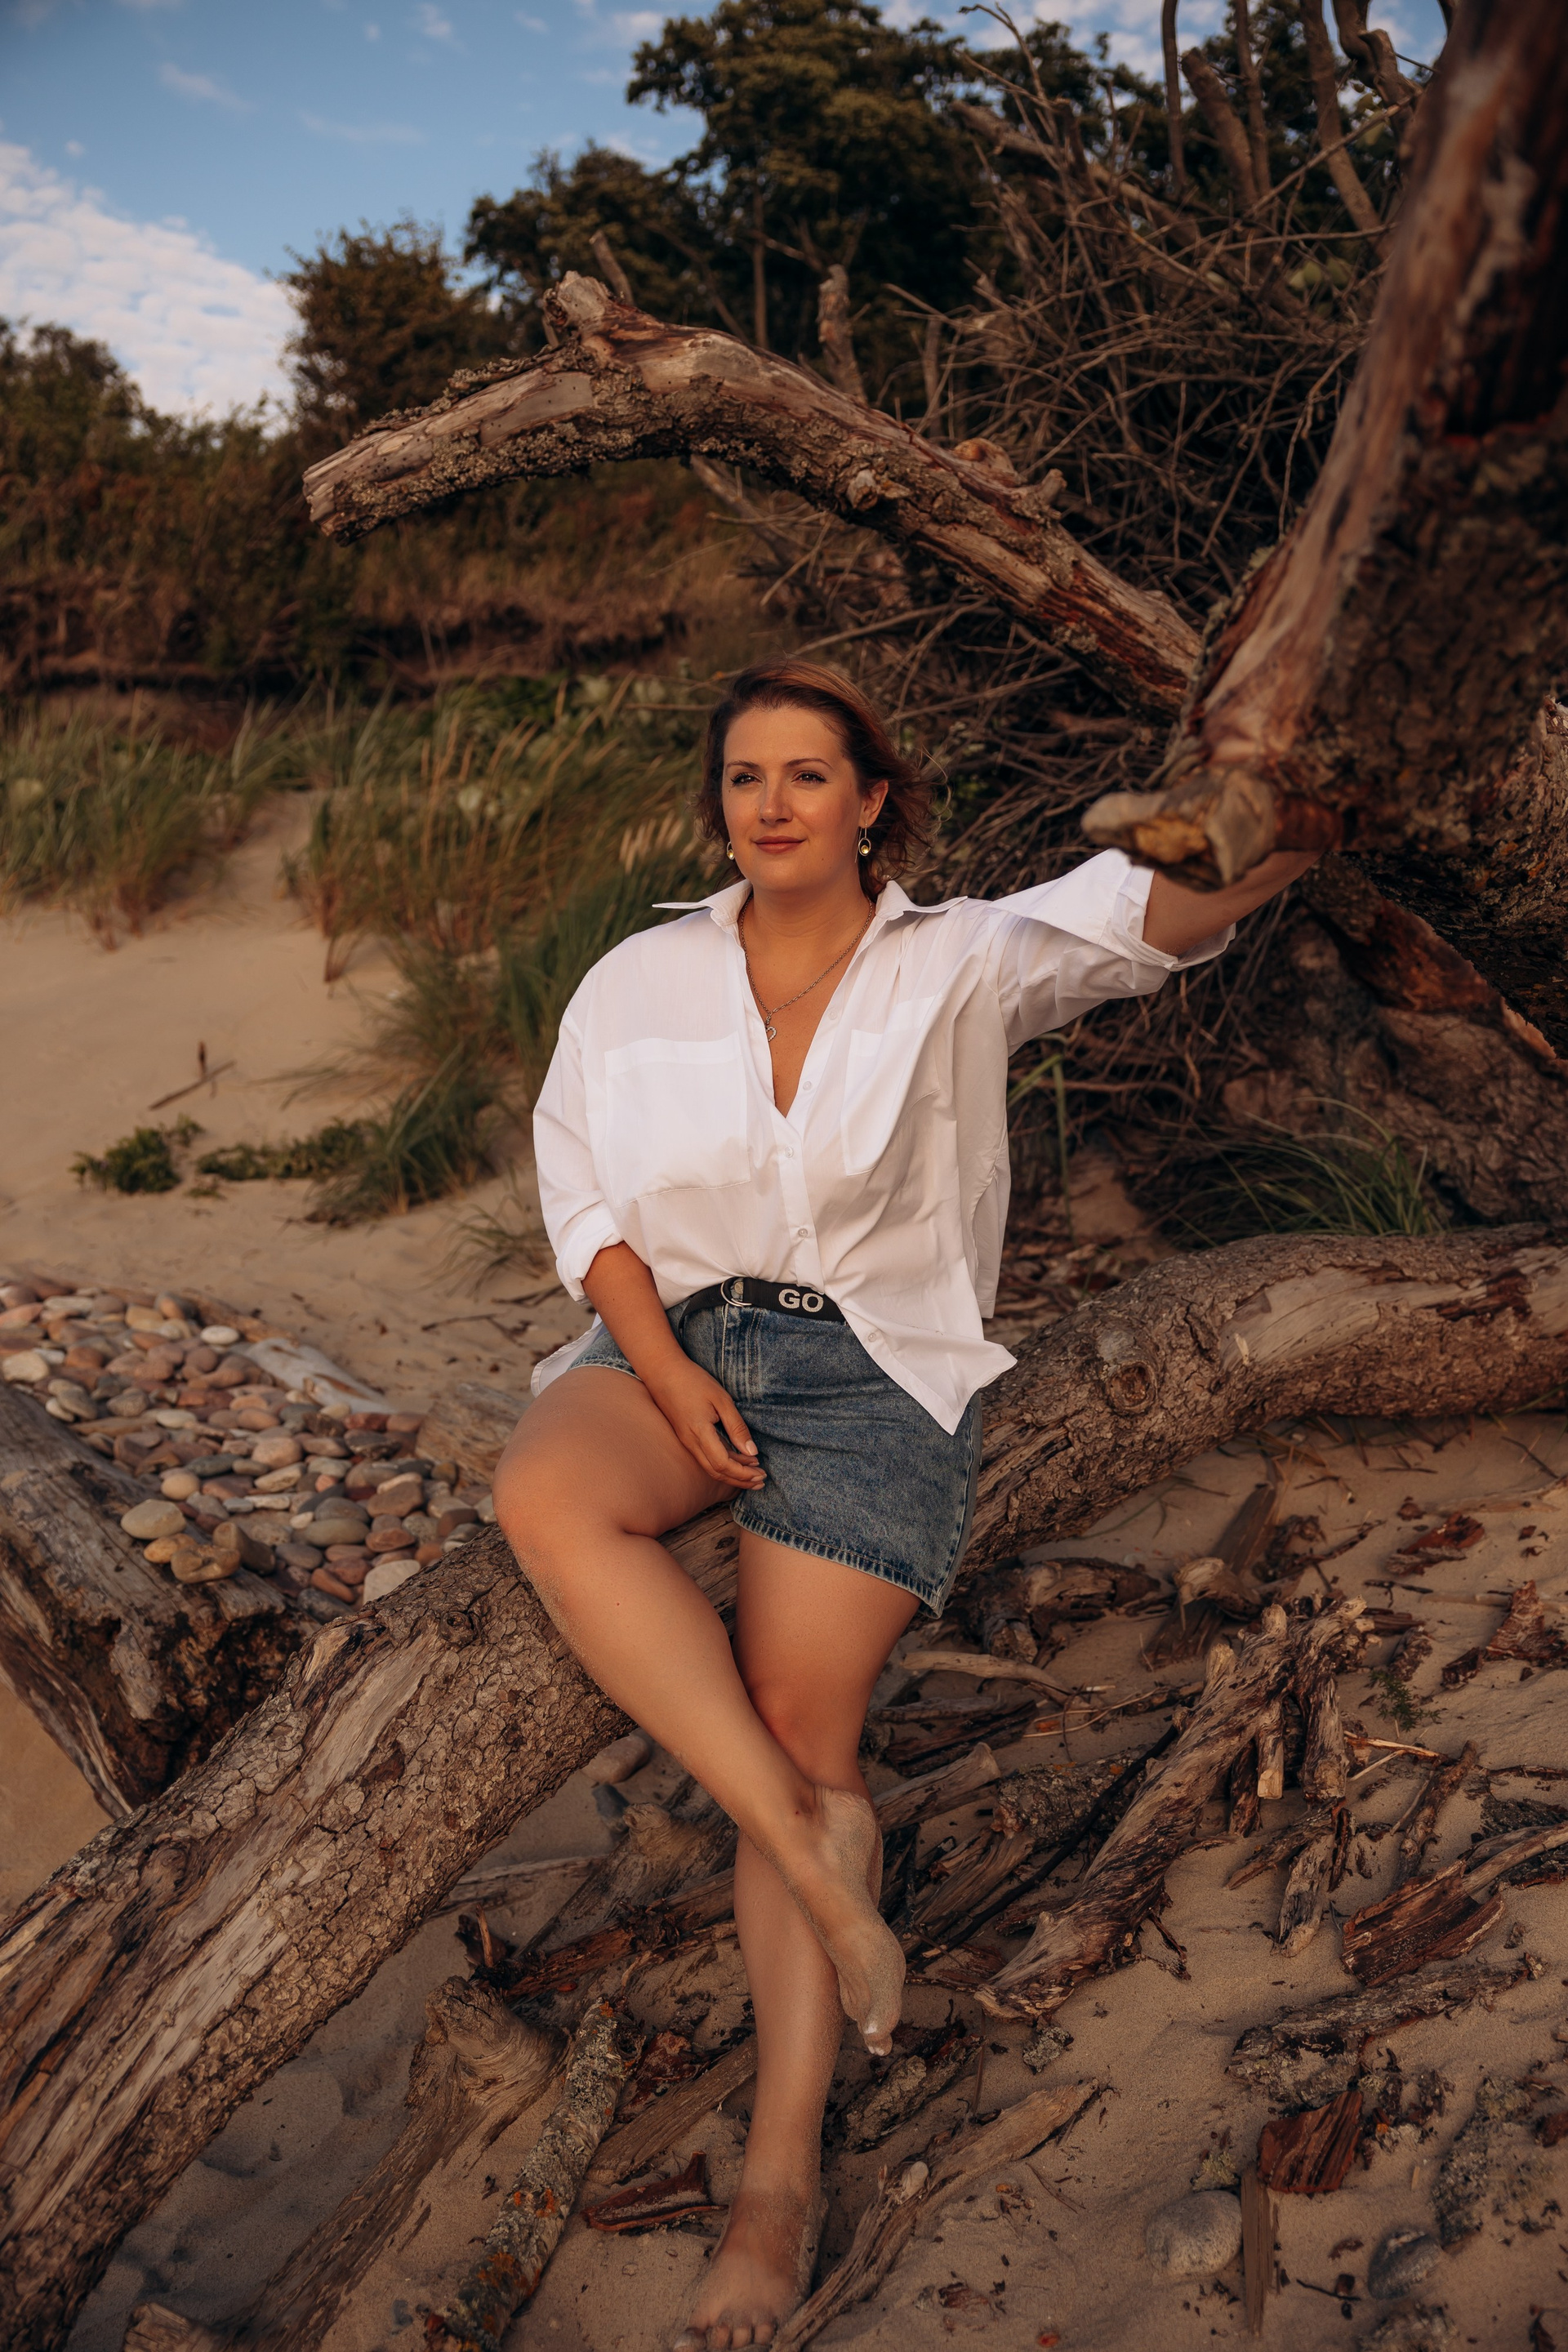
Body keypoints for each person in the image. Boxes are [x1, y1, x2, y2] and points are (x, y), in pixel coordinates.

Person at [492, 660, 1316, 2350]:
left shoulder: (961, 960)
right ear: (721, 804)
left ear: (874, 800)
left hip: (872, 1374)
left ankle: (775, 2184)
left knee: (807, 1727)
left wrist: (1318, 805)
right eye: (746, 776)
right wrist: (661, 1366)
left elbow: (1146, 915)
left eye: (809, 773)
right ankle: (820, 1858)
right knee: (545, 1497)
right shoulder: (639, 980)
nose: (773, 802)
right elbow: (583, 1199)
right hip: (669, 1343)